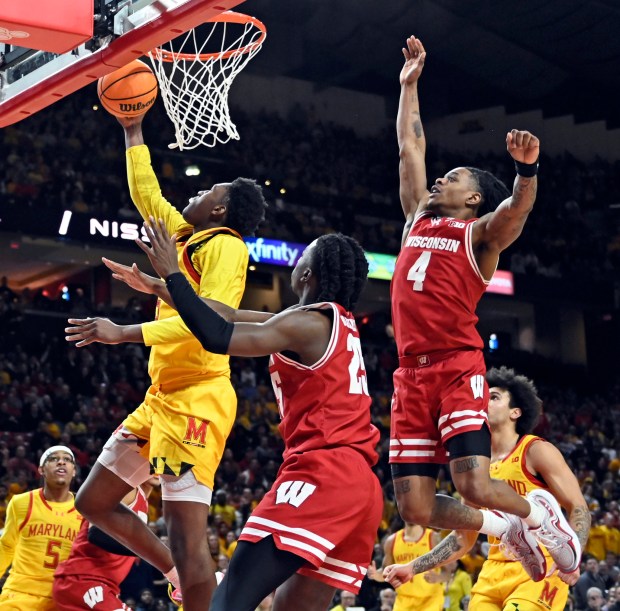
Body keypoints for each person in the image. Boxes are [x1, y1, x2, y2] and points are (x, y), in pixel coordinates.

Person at [388, 35, 580, 579]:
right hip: (409, 374)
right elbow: (410, 148)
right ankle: (503, 526)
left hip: (454, 366)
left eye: (455, 178)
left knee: (473, 482)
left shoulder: (479, 235)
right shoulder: (415, 221)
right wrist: (409, 87)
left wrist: (527, 171)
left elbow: (515, 214)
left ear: (474, 198)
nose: (442, 178)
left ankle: (538, 511)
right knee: (416, 510)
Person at [64, 114, 267, 611]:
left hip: (198, 397)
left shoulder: (226, 246)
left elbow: (213, 320)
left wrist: (125, 332)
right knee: (91, 502)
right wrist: (133, 131)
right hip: (162, 397)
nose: (192, 197)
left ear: (219, 207)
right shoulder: (188, 239)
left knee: (188, 540)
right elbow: (148, 197)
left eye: (206, 191)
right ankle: (177, 574)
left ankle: (192, 581)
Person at [138, 219, 383, 611]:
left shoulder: (307, 323)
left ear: (307, 272)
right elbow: (231, 317)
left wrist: (173, 269)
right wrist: (165, 290)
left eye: (304, 253)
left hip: (324, 472)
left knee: (229, 600)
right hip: (361, 486)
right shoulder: (329, 322)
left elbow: (218, 337)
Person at [383, 367, 591, 611]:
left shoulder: (535, 450)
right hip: (493, 569)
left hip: (542, 565)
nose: (484, 402)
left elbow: (578, 506)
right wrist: (413, 567)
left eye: (493, 397)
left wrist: (572, 557)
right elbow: (463, 537)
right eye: (482, 397)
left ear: (516, 412)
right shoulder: (476, 468)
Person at [52, 476, 160, 611]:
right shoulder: (125, 488)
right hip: (84, 580)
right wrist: (150, 550)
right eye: (152, 460)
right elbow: (96, 535)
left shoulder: (142, 499)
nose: (158, 469)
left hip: (103, 585)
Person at [0, 446, 82, 610]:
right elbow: (7, 546)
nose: (61, 462)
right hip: (20, 594)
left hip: (62, 596)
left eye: (67, 460)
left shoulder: (86, 509)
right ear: (41, 470)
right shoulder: (21, 502)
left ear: (74, 471)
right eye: (53, 459)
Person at [367, 521, 443, 610]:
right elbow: (386, 573)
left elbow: (450, 571)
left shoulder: (433, 538)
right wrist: (375, 575)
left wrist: (439, 578)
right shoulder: (392, 541)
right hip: (403, 600)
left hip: (430, 600)